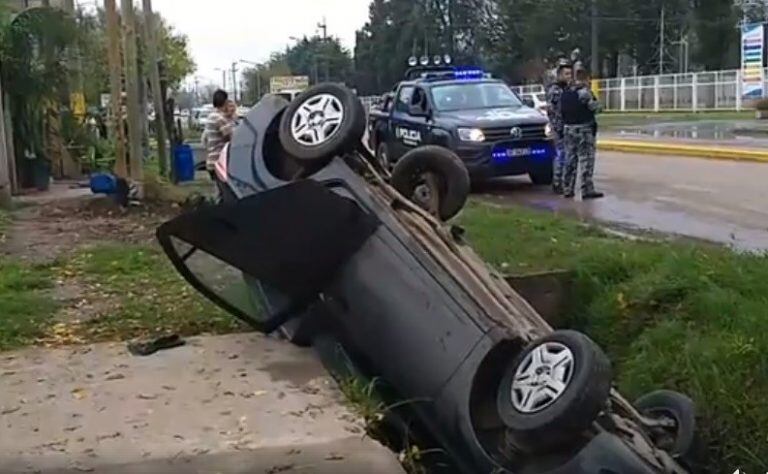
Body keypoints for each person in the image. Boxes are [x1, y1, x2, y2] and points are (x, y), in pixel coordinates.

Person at [560, 67, 604, 200]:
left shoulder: (565, 92)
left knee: (570, 160)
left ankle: (567, 188)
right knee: (586, 160)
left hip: (568, 129)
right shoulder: (584, 92)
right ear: (586, 79)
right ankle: (587, 189)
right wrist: (598, 103)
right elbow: (595, 108)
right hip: (583, 129)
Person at [545, 59, 573, 194]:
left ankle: (565, 182)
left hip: (568, 127)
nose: (569, 77)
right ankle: (557, 182)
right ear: (560, 75)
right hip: (559, 128)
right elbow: (556, 112)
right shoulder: (555, 90)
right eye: (566, 74)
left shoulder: (567, 89)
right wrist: (559, 128)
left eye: (570, 74)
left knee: (567, 156)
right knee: (560, 155)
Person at [204, 90, 236, 180]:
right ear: (225, 102)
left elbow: (205, 139)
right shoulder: (220, 118)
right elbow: (233, 138)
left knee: (218, 190)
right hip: (219, 162)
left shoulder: (211, 116)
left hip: (212, 161)